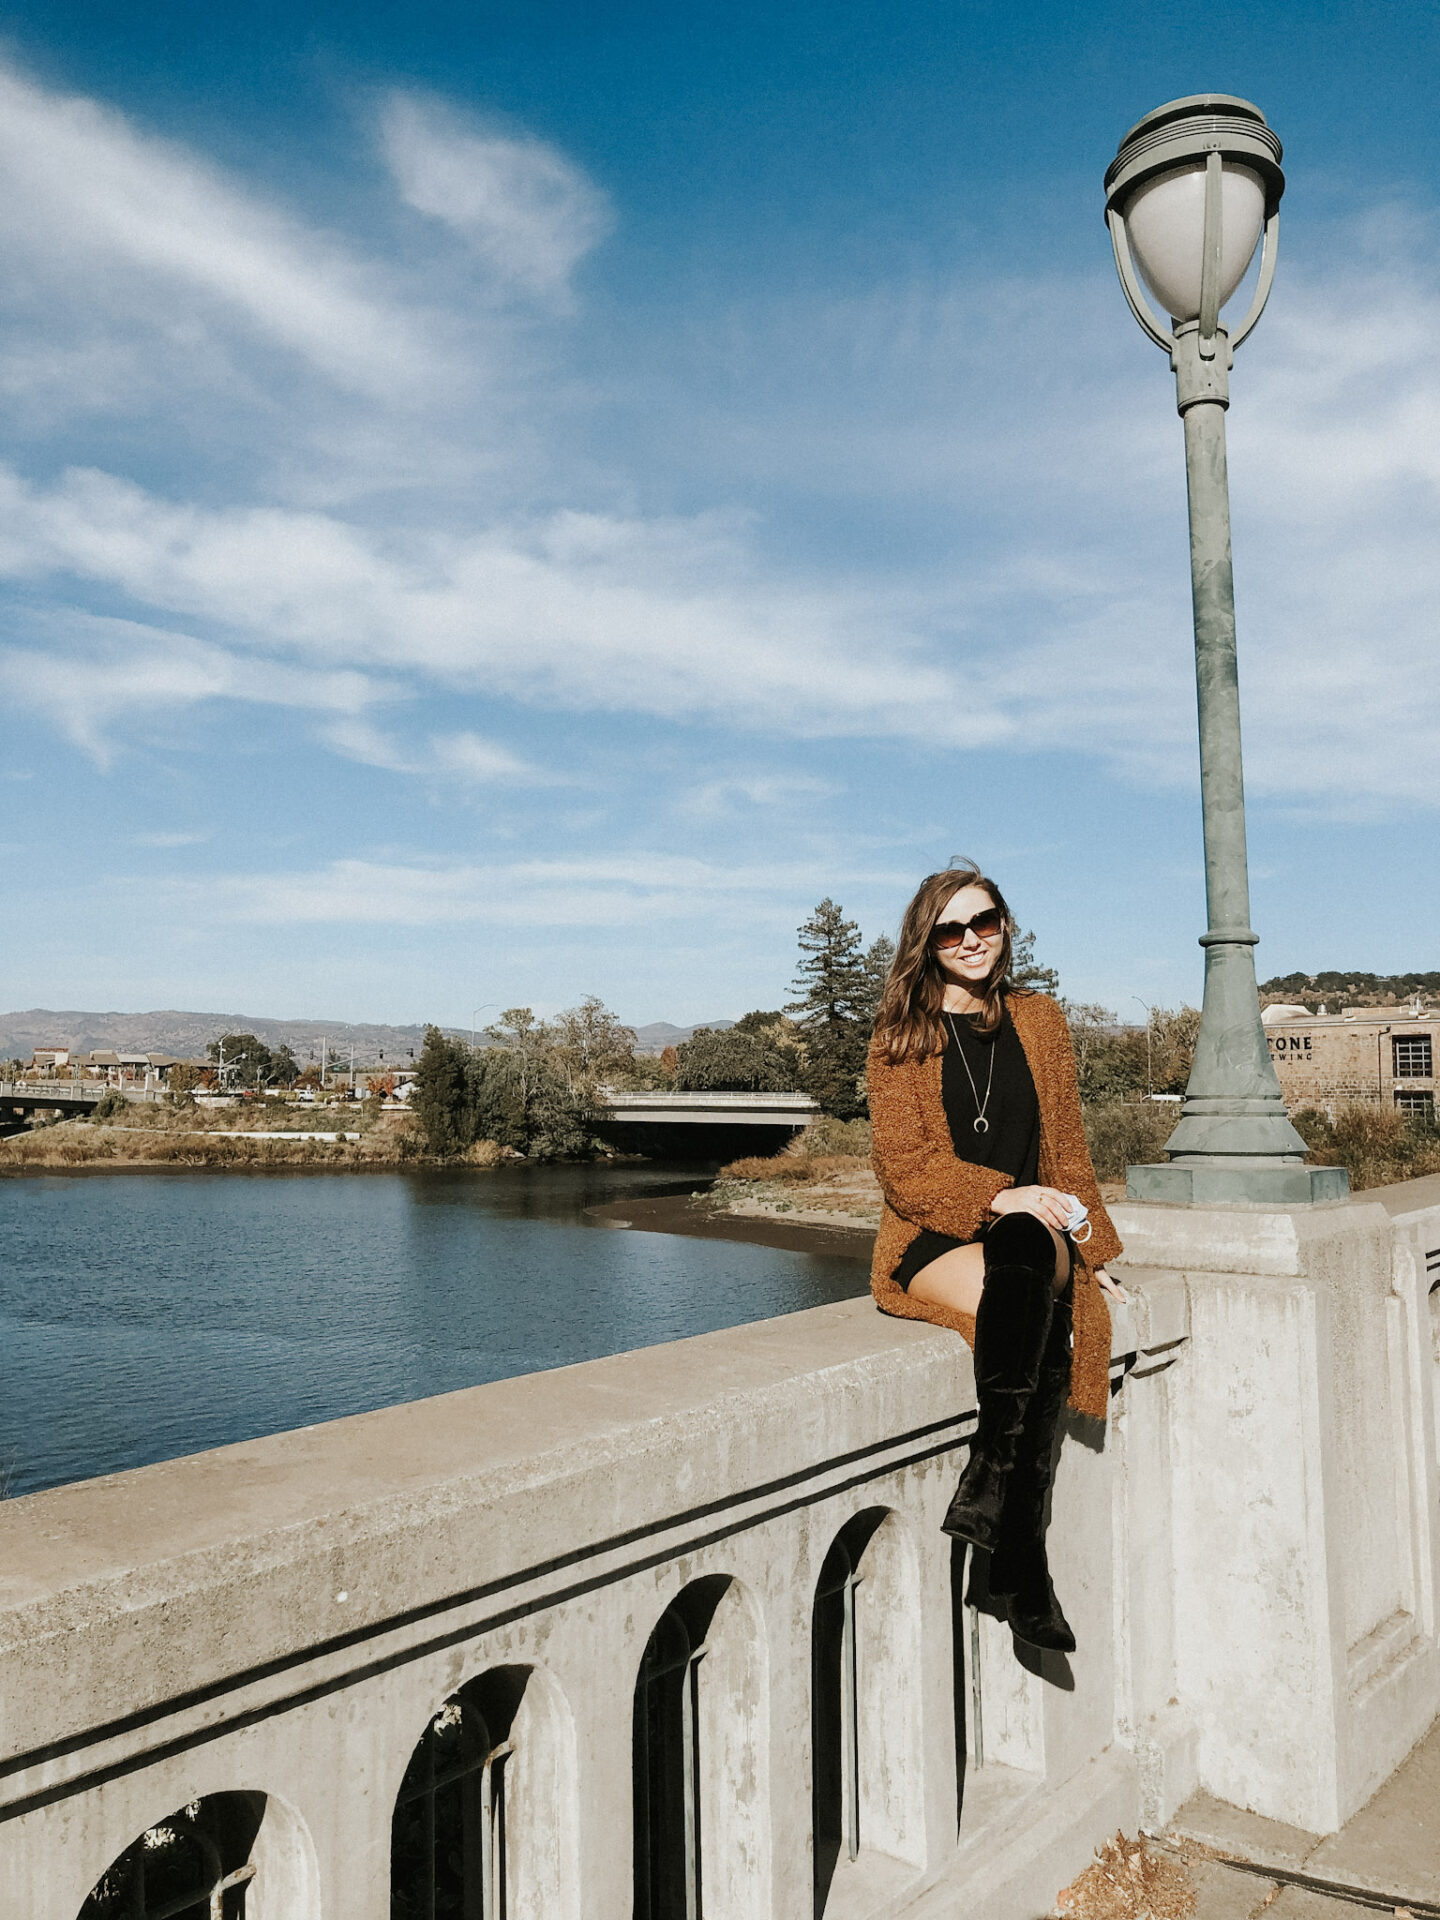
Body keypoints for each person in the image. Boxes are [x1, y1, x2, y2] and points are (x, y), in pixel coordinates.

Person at [867, 865, 1127, 1653]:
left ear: (1005, 926)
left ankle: (989, 1475)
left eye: (985, 923)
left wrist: (1094, 1251)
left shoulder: (1040, 1020)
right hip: (931, 1235)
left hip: (1030, 1231)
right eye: (951, 930)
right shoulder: (899, 1040)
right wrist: (999, 1196)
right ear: (928, 941)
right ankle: (1019, 1559)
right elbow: (904, 1171)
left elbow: (1067, 1152)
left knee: (1025, 1258)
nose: (972, 941)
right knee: (1036, 1316)